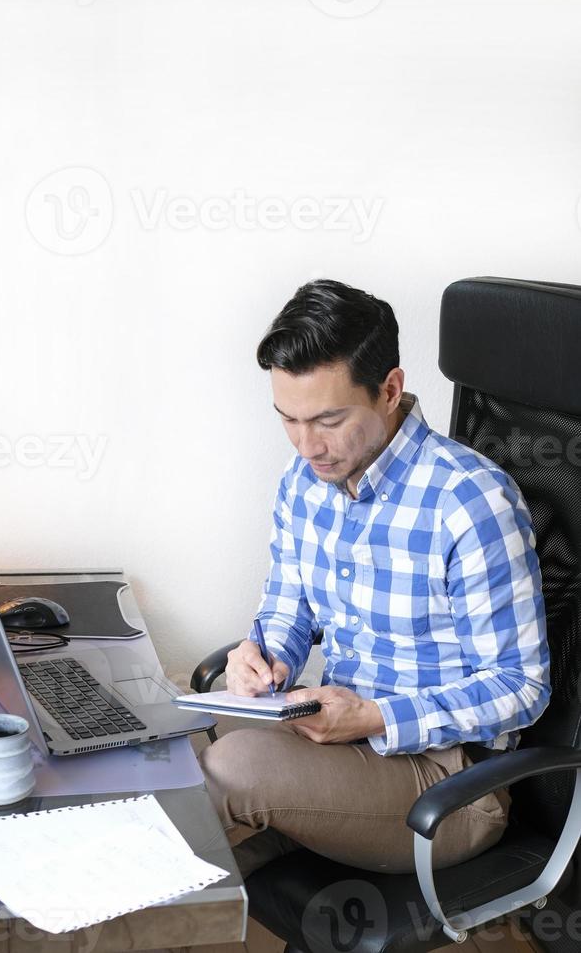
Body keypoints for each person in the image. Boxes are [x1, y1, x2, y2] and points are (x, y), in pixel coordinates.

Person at [199, 279, 550, 880]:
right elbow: (290, 607)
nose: (308, 446)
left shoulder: (469, 503)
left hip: (449, 783)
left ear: (390, 390)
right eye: (289, 419)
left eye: (329, 420)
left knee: (230, 768)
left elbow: (521, 688)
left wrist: (376, 718)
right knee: (165, 747)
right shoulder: (304, 481)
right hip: (335, 736)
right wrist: (262, 657)